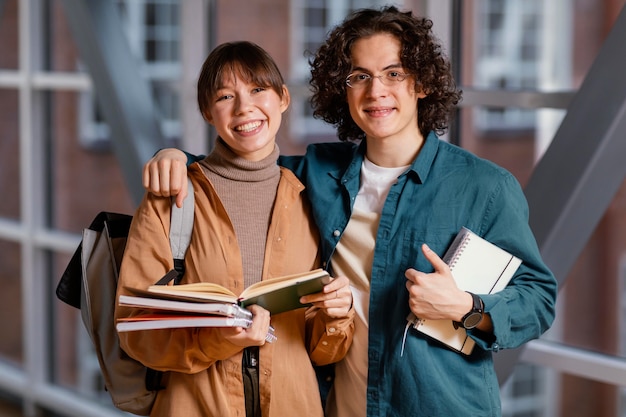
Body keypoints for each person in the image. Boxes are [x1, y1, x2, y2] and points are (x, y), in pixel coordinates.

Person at [143, 6, 557, 417]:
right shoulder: (317, 172)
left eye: (394, 73)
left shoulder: (483, 186)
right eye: (360, 76)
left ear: (422, 83)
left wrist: (465, 306)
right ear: (343, 89)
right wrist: (173, 155)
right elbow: (240, 168)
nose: (376, 91)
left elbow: (537, 300)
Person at [115, 41, 355, 417]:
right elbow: (134, 329)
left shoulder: (311, 197)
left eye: (258, 90)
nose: (245, 108)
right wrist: (215, 341)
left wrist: (336, 316)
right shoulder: (172, 198)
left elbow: (322, 351)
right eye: (226, 96)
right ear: (208, 112)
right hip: (194, 406)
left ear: (283, 98)